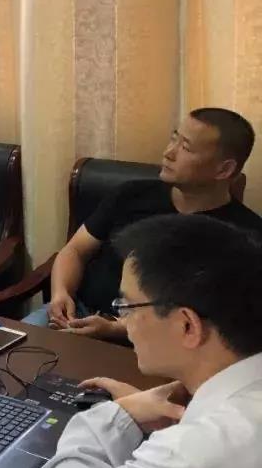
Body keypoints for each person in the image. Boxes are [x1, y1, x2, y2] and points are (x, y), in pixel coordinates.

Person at [34, 215, 262, 468]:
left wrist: (114, 416)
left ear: (187, 325)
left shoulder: (204, 458)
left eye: (127, 306)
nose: (123, 321)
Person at [34, 107, 262, 340]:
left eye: (185, 147)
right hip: (77, 314)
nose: (168, 153)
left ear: (224, 169)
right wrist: (61, 293)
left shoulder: (245, 237)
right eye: (174, 139)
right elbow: (75, 250)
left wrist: (115, 329)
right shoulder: (131, 195)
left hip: (156, 342)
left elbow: (214, 323)